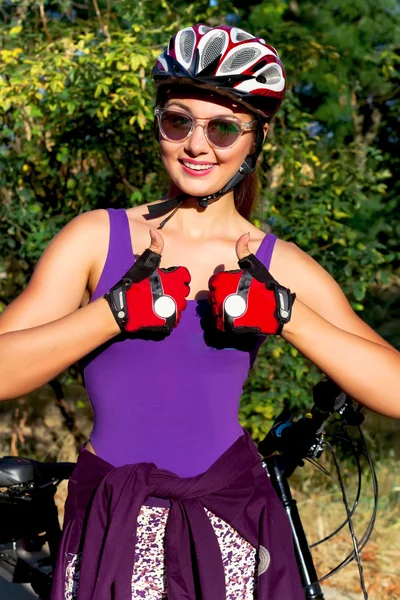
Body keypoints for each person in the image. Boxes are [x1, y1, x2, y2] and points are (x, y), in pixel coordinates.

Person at [0, 23, 399, 600]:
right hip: (114, 516)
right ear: (159, 122)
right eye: (178, 120)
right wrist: (110, 315)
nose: (196, 144)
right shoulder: (96, 237)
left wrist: (288, 315)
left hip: (233, 520)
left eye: (223, 128)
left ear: (256, 137)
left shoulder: (274, 261)